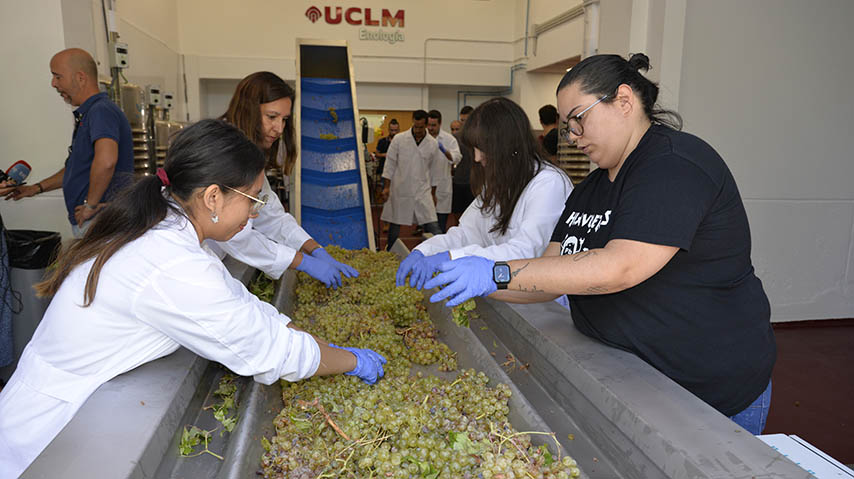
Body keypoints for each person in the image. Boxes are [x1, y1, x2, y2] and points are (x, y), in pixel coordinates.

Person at [0, 120, 386, 477]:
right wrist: (351, 361)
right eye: (252, 199)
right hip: (47, 438)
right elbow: (266, 350)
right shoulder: (170, 261)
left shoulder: (169, 227)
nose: (254, 213)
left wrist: (313, 341)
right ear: (213, 197)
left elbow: (239, 302)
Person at [423, 53, 776, 435]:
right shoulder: (590, 189)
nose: (572, 135)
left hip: (706, 391)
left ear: (624, 101)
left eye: (579, 118)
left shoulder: (675, 166)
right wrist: (479, 284)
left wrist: (496, 271)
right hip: (639, 384)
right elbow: (548, 274)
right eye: (566, 125)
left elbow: (620, 267)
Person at [396, 98, 573, 291]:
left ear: (506, 144)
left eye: (482, 148)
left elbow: (526, 252)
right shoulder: (500, 179)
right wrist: (425, 251)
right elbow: (466, 233)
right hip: (505, 296)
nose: (477, 157)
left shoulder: (548, 184)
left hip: (539, 304)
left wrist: (453, 257)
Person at [212, 72, 358, 289]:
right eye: (271, 117)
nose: (279, 129)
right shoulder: (219, 151)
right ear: (248, 110)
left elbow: (271, 215)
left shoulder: (247, 152)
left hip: (213, 259)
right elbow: (235, 235)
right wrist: (302, 262)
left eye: (284, 120)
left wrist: (315, 250)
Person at [1, 48, 133, 238]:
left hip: (102, 221)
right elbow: (77, 169)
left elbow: (106, 162)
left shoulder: (101, 111)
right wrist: (36, 188)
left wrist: (91, 205)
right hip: (95, 220)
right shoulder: (89, 114)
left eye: (57, 76)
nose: (53, 83)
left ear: (80, 77)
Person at [380, 110, 443, 251]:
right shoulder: (399, 139)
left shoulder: (432, 144)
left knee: (433, 224)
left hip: (422, 190)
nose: (418, 130)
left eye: (421, 127)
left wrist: (433, 194)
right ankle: (389, 253)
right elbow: (389, 164)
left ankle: (442, 252)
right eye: (416, 126)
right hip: (400, 189)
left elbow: (434, 171)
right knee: (395, 226)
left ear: (426, 125)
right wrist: (386, 187)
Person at [426, 110, 462, 232]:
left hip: (442, 189)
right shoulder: (422, 139)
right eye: (429, 125)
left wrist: (445, 151)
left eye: (433, 125)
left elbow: (457, 158)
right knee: (426, 228)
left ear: (440, 124)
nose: (430, 128)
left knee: (440, 227)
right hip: (425, 189)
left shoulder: (449, 139)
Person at [452, 106, 476, 219]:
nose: (464, 123)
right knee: (458, 214)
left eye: (466, 120)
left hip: (475, 182)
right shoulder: (455, 138)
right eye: (462, 120)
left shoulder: (480, 137)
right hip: (458, 181)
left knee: (473, 214)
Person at [374, 118, 400, 184]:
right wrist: (386, 155)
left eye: (396, 130)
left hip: (398, 172)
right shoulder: (382, 141)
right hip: (384, 172)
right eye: (392, 130)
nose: (394, 132)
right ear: (388, 130)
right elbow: (376, 154)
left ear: (399, 130)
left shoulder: (402, 142)